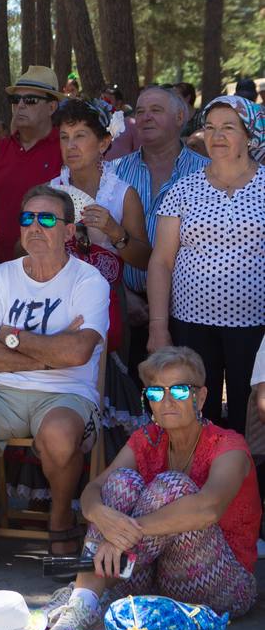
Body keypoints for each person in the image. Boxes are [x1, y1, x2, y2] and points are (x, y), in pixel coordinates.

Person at [0, 186, 110, 569]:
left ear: (68, 231)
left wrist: (13, 337)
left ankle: (61, 517)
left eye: (47, 219)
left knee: (61, 436)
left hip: (67, 393)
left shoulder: (89, 280)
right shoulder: (1, 277)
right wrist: (48, 355)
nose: (35, 226)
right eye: (27, 218)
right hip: (0, 390)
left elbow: (79, 353)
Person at [43, 346, 260, 630]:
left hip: (223, 584)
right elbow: (95, 488)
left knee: (173, 486)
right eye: (156, 393)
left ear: (200, 397)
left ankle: (89, 597)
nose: (167, 400)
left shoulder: (228, 445)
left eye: (180, 391)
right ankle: (86, 606)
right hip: (153, 576)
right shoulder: (146, 439)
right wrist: (99, 514)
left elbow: (209, 507)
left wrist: (125, 535)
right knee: (120, 482)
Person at [147, 94, 265, 435]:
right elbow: (162, 261)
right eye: (210, 127)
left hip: (255, 328)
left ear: (249, 134)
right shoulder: (183, 189)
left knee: (252, 417)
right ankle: (200, 482)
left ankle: (246, 485)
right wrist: (158, 326)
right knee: (197, 416)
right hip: (192, 325)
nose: (217, 136)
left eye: (228, 127)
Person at [111, 86, 208, 374]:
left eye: (156, 110)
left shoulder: (206, 174)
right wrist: (121, 295)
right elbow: (98, 243)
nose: (145, 118)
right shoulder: (113, 173)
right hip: (126, 308)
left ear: (181, 117)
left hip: (188, 313)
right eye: (140, 111)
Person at [48, 99, 151, 267]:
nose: (70, 145)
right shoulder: (49, 191)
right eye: (64, 137)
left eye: (80, 135)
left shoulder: (123, 195)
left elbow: (145, 261)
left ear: (103, 144)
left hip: (108, 292)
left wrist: (115, 231)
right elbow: (21, 251)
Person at [0, 66, 64, 261]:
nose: (20, 105)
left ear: (52, 107)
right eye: (15, 100)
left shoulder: (66, 149)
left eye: (30, 100)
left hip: (48, 266)